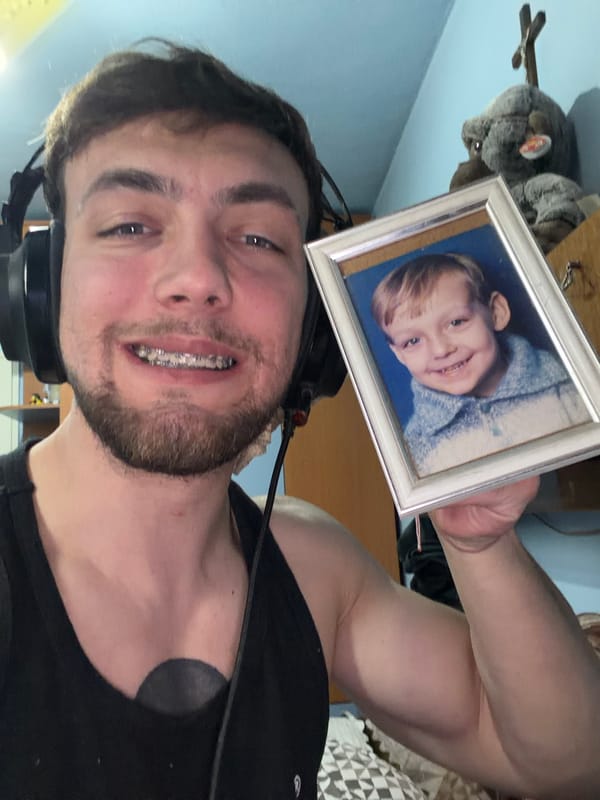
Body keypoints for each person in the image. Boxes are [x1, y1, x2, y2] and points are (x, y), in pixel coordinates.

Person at [0, 41, 599, 799]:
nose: (198, 281)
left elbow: (566, 762)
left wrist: (476, 538)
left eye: (258, 238)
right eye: (129, 226)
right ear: (42, 293)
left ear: (313, 330)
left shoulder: (314, 571)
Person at [371, 252, 590, 475]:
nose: (441, 350)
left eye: (456, 322)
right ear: (399, 354)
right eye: (413, 341)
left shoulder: (563, 383)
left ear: (496, 313)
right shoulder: (417, 444)